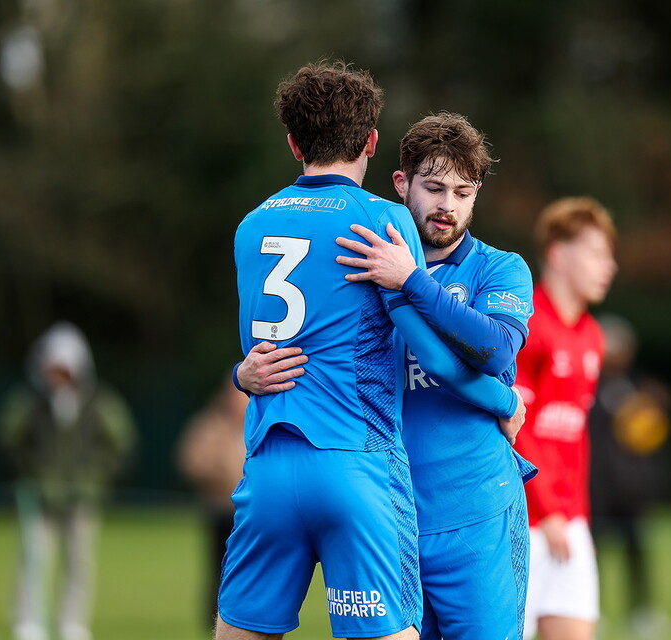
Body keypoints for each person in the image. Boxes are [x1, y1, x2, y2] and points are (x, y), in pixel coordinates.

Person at [221, 63, 523, 640]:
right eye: (434, 187)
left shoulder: (250, 224)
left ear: (292, 141)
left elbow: (259, 352)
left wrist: (241, 375)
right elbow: (437, 358)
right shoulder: (383, 224)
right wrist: (504, 399)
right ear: (373, 146)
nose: (446, 204)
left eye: (462, 192)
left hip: (268, 460)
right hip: (355, 465)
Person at [513, 197, 618, 640]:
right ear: (557, 253)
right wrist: (548, 510)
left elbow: (574, 437)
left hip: (569, 520)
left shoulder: (593, 336)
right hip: (524, 517)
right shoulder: (526, 322)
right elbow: (512, 428)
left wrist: (576, 518)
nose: (608, 266)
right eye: (596, 252)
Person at [0, 321, 136, 640]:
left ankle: (73, 622)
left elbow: (120, 441)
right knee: (33, 558)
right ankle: (28, 619)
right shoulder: (31, 401)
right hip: (39, 494)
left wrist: (96, 475)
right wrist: (27, 470)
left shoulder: (99, 402)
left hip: (82, 496)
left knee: (79, 560)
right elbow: (8, 437)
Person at [588, 315, 671, 639]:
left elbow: (651, 436)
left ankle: (642, 611)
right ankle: (593, 610)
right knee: (594, 555)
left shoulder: (641, 388)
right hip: (598, 486)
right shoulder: (588, 385)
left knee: (637, 553)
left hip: (632, 489)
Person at [176, 378, 249, 630]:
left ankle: (247, 616)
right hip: (220, 510)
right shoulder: (210, 425)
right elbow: (191, 460)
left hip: (252, 513)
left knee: (250, 569)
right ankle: (215, 619)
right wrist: (218, 474)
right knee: (218, 568)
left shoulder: (260, 422)